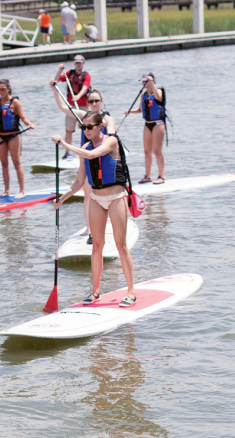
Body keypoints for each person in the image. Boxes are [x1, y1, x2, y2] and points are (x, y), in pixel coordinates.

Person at [51, 112, 137, 306]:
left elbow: (92, 155)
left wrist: (64, 144)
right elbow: (79, 181)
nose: (86, 131)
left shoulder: (111, 142)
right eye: (84, 127)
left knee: (121, 246)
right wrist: (62, 199)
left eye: (90, 127)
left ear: (100, 127)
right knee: (96, 246)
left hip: (116, 198)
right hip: (97, 199)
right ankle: (95, 292)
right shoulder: (83, 148)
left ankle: (131, 292)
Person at [52, 84, 115, 239]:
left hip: (103, 159)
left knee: (108, 193)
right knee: (88, 195)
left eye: (96, 101)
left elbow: (112, 134)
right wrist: (54, 88)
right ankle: (90, 228)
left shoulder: (106, 118)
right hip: (87, 159)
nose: (94, 104)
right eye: (91, 101)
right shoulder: (82, 115)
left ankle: (109, 222)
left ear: (101, 101)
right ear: (87, 103)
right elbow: (62, 106)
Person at [0, 79, 36, 197]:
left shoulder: (15, 102)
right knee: (4, 165)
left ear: (8, 88)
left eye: (3, 89)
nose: (1, 92)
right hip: (0, 136)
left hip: (13, 136)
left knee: (17, 164)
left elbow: (23, 117)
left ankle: (22, 191)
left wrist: (29, 124)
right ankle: (6, 191)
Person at [126, 72, 165, 184]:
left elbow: (159, 97)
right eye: (142, 81)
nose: (143, 83)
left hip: (158, 123)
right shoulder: (143, 95)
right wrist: (129, 111)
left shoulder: (159, 91)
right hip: (147, 124)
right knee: (147, 151)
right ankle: (147, 176)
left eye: (145, 81)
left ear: (151, 81)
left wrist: (152, 82)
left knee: (157, 151)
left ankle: (161, 176)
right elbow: (140, 109)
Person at [55, 57, 91, 155]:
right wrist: (59, 70)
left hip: (83, 106)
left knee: (86, 129)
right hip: (71, 107)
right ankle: (67, 153)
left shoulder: (86, 75)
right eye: (76, 63)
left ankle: (86, 150)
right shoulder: (70, 73)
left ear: (83, 63)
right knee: (69, 130)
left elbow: (85, 88)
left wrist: (78, 96)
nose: (78, 65)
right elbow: (56, 80)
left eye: (80, 63)